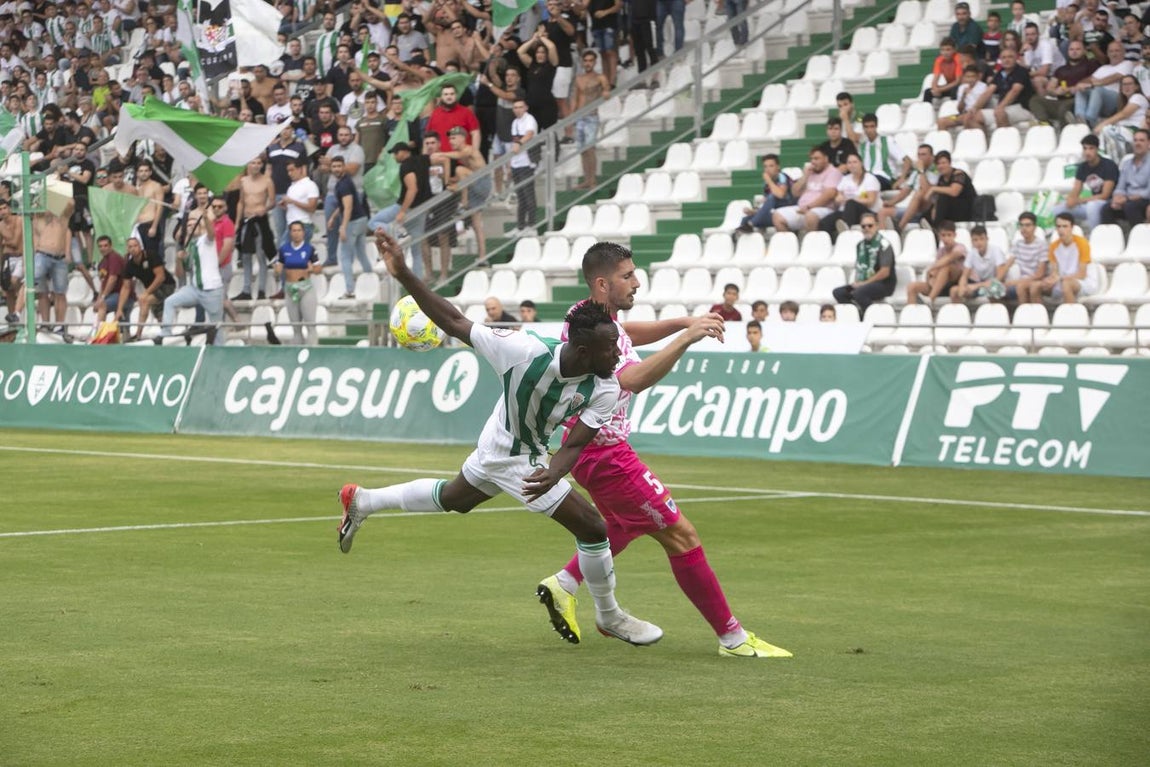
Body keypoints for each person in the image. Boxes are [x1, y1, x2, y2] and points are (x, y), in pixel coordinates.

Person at [340, 230, 663, 647]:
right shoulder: (521, 350)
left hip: (512, 445)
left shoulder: (603, 386)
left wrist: (553, 472)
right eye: (610, 351)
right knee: (594, 527)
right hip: (513, 454)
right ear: (582, 351)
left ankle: (363, 500)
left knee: (456, 499)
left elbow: (575, 444)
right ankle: (610, 614)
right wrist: (402, 274)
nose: (619, 357)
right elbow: (454, 321)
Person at [534, 241, 789, 657]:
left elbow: (626, 334)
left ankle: (563, 584)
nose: (637, 281)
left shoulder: (588, 319)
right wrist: (686, 337)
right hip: (607, 454)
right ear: (602, 283)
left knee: (619, 527)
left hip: (586, 450)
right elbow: (630, 379)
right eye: (627, 275)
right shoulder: (596, 330)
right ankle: (733, 638)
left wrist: (680, 322)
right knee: (682, 536)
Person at [159, 196, 227, 345]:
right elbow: (180, 274)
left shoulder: (206, 241)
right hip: (195, 289)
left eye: (193, 225)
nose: (190, 227)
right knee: (170, 302)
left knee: (217, 325)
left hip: (211, 290)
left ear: (199, 227)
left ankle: (221, 350)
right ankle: (165, 335)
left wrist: (206, 220)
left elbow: (211, 234)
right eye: (188, 225)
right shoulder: (188, 246)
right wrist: (178, 259)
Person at [1053, 134, 1120, 232]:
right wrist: (1070, 200)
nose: (1087, 152)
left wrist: (1080, 200)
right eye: (1085, 149)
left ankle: (1095, 236)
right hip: (1091, 202)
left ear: (1097, 149)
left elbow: (1105, 195)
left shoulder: (1108, 165)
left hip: (1108, 203)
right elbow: (1076, 190)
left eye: (1091, 148)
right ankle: (1067, 237)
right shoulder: (1082, 167)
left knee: (1091, 206)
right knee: (1058, 209)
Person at [831, 212, 896, 312]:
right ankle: (856, 313)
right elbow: (860, 267)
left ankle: (870, 316)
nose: (866, 228)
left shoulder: (884, 244)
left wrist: (864, 283)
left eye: (870, 225)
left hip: (883, 284)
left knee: (859, 293)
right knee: (838, 292)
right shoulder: (860, 245)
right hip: (865, 282)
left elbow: (885, 272)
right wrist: (858, 282)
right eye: (863, 226)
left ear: (877, 226)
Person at [1028, 39, 1098, 129]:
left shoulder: (1091, 65)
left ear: (1084, 51)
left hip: (1078, 101)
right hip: (1060, 101)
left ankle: (1063, 134)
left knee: (1064, 108)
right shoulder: (1061, 69)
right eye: (1071, 49)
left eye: (1078, 49)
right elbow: (1049, 88)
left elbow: (1093, 81)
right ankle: (1046, 125)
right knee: (1035, 100)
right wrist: (1056, 92)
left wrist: (1071, 89)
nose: (1074, 52)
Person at [116, 235, 175, 341]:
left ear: (140, 246)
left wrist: (146, 293)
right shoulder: (129, 265)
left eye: (135, 245)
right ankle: (167, 335)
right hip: (153, 289)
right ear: (127, 249)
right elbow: (125, 287)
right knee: (159, 314)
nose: (133, 248)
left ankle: (138, 335)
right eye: (130, 247)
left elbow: (160, 277)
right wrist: (119, 309)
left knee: (145, 301)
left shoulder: (151, 255)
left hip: (167, 285)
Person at [771, 146, 842, 234]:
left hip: (823, 209)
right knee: (777, 216)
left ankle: (811, 245)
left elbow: (829, 194)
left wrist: (809, 207)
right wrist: (805, 177)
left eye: (816, 159)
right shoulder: (810, 172)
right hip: (803, 208)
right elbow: (795, 193)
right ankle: (792, 245)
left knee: (810, 216)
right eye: (811, 159)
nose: (813, 162)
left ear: (826, 159)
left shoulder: (833, 172)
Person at [234, 158, 277, 301]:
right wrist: (237, 222)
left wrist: (265, 209)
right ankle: (246, 289)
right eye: (253, 163)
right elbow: (241, 202)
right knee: (245, 255)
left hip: (259, 220)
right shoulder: (243, 181)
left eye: (259, 163)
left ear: (262, 165)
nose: (256, 165)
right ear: (248, 164)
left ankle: (261, 290)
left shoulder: (267, 181)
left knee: (260, 254)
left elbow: (272, 201)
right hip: (246, 220)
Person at [274, 221, 322, 345]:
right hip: (290, 288)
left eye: (299, 230)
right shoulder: (284, 249)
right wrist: (277, 271)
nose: (296, 233)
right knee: (295, 326)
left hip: (305, 287)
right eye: (293, 231)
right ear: (290, 233)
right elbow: (279, 266)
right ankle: (297, 350)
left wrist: (312, 269)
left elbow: (318, 268)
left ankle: (313, 350)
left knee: (310, 324)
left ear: (303, 232)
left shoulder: (309, 249)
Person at [819, 153, 881, 240]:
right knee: (825, 222)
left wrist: (852, 199)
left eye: (855, 162)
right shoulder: (845, 179)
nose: (852, 165)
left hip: (867, 212)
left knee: (851, 203)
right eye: (849, 163)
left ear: (861, 163)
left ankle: (846, 228)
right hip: (846, 212)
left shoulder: (870, 179)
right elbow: (838, 197)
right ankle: (832, 244)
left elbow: (871, 201)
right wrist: (838, 199)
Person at [1039, 212, 1098, 303]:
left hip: (1084, 282)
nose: (1061, 230)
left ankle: (1071, 315)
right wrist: (1049, 281)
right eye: (1058, 226)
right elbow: (1054, 272)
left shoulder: (1082, 244)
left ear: (1072, 227)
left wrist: (1059, 278)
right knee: (1035, 286)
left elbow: (1082, 275)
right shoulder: (1053, 246)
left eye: (1065, 226)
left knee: (1066, 285)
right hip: (1062, 280)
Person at [572, 49, 610, 190]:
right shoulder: (579, 78)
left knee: (590, 148)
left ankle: (592, 179)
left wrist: (605, 91)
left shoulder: (600, 77)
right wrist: (571, 116)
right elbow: (576, 98)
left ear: (594, 62)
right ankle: (587, 179)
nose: (588, 63)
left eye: (590, 61)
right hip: (580, 116)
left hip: (592, 116)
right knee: (582, 150)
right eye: (585, 60)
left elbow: (606, 90)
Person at [905, 220, 966, 306]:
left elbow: (949, 258)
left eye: (949, 235)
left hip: (956, 283)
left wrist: (932, 268)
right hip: (940, 284)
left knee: (946, 267)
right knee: (912, 287)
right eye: (943, 235)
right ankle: (911, 313)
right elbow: (934, 271)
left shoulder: (960, 248)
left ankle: (930, 299)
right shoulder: (941, 251)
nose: (946, 238)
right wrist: (931, 277)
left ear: (954, 235)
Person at [1102, 128, 1150, 227]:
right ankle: (1114, 239)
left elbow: (1148, 192)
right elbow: (1120, 186)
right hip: (1127, 200)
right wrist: (1117, 198)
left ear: (1148, 143)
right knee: (1106, 208)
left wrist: (1127, 199)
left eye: (1141, 140)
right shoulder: (1127, 164)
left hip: (1144, 200)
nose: (1137, 143)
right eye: (1135, 140)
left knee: (1130, 207)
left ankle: (1138, 238)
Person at [736, 153, 794, 234]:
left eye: (771, 166)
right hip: (775, 214)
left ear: (778, 167)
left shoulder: (782, 177)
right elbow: (767, 206)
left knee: (772, 196)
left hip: (788, 212)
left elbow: (780, 194)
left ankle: (750, 225)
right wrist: (753, 212)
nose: (768, 169)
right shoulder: (767, 185)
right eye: (765, 166)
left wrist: (769, 181)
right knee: (745, 219)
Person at [950, 225, 1009, 303]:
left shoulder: (996, 251)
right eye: (975, 240)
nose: (979, 242)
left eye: (981, 239)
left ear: (987, 239)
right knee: (954, 291)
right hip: (981, 284)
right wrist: (962, 287)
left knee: (992, 290)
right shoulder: (972, 253)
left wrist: (976, 286)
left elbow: (999, 278)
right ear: (972, 241)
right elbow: (964, 276)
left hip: (997, 284)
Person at [509, 99, 539, 236]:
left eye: (520, 107)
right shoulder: (514, 123)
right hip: (516, 163)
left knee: (529, 194)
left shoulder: (530, 119)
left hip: (527, 162)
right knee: (520, 195)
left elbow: (529, 134)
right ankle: (520, 226)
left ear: (525, 107)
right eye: (515, 107)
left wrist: (520, 143)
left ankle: (532, 225)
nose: (518, 110)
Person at [924, 151, 976, 227]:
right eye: (938, 164)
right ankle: (928, 224)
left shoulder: (959, 174)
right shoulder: (941, 178)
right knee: (931, 206)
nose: (941, 166)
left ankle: (936, 227)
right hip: (951, 210)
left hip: (965, 209)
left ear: (949, 163)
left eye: (943, 163)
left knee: (943, 197)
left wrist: (933, 188)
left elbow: (954, 191)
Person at [1005, 212, 1048, 303]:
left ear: (1034, 227)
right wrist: (997, 280)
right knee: (994, 290)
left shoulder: (1042, 245)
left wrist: (1016, 282)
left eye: (1028, 225)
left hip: (1036, 280)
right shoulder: (1018, 244)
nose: (1024, 228)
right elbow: (1007, 264)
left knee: (1022, 287)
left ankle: (1027, 316)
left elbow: (1040, 274)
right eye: (1022, 225)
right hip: (1021, 280)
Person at [92, 235, 132, 324]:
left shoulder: (114, 258)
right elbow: (103, 283)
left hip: (123, 295)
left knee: (102, 305)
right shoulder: (102, 263)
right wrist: (98, 299)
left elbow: (112, 279)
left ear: (111, 246)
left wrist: (102, 299)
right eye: (100, 246)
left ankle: (99, 334)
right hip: (112, 295)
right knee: (122, 328)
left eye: (105, 245)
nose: (103, 248)